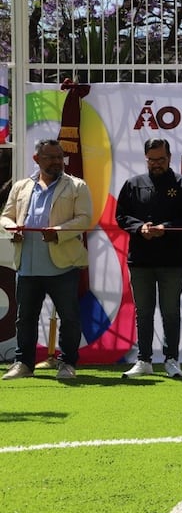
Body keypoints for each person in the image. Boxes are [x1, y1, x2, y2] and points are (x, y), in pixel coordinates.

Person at [1, 139, 92, 380]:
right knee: (24, 319)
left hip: (63, 265)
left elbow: (84, 220)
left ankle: (67, 364)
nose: (56, 162)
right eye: (50, 157)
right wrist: (13, 228)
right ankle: (23, 364)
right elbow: (6, 216)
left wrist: (58, 231)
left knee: (69, 318)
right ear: (36, 160)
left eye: (59, 157)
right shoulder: (20, 186)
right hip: (27, 265)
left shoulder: (77, 186)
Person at [116, 138, 182, 379]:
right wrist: (140, 227)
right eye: (152, 160)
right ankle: (144, 360)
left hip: (172, 259)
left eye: (161, 159)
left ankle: (171, 359)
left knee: (170, 311)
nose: (156, 164)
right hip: (140, 259)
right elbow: (121, 216)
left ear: (170, 158)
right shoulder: (133, 184)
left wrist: (166, 227)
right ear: (146, 159)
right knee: (143, 311)